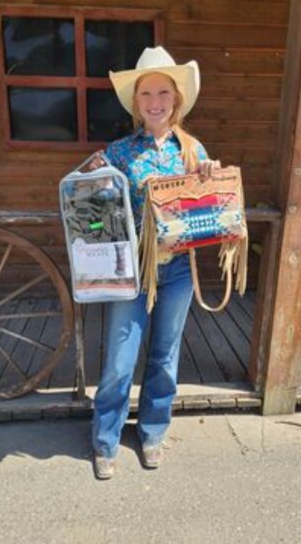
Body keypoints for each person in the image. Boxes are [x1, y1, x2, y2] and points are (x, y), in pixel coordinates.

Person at [83, 46, 222, 480]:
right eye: (147, 93)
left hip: (177, 268)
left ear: (176, 99)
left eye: (164, 91)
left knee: (164, 357)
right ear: (136, 102)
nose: (156, 101)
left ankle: (152, 432)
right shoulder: (120, 152)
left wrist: (211, 177)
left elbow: (210, 202)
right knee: (120, 360)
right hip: (131, 270)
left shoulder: (192, 150)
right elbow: (91, 200)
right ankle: (105, 439)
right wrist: (90, 172)